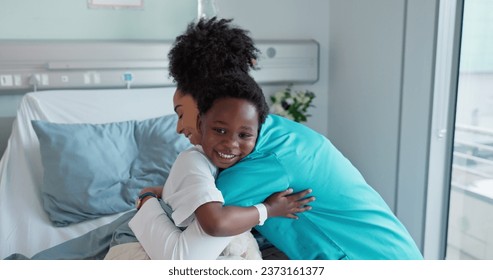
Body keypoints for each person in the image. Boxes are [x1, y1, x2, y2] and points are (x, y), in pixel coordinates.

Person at [155, 17, 423, 260]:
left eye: (181, 112)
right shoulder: (273, 133)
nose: (179, 127)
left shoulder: (264, 159)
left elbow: (197, 224)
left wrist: (148, 201)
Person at [126, 72, 314, 260]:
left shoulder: (236, 164)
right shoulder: (193, 160)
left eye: (244, 135)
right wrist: (269, 209)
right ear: (202, 123)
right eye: (220, 130)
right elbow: (212, 226)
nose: (231, 143)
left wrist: (158, 191)